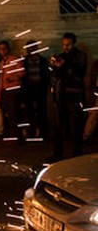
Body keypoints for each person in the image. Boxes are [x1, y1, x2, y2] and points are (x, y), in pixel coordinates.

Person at [49, 32, 87, 161]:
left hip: (75, 95)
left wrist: (65, 66)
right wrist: (54, 66)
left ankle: (76, 155)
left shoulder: (80, 56)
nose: (66, 47)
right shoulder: (61, 56)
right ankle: (58, 154)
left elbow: (79, 74)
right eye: (64, 45)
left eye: (68, 45)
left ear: (73, 43)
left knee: (75, 127)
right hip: (61, 95)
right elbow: (55, 75)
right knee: (58, 127)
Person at [0, 41, 25, 140]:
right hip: (6, 91)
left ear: (8, 49)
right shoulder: (1, 63)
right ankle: (12, 134)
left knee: (14, 113)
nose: (2, 51)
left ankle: (17, 135)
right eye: (1, 49)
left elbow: (22, 73)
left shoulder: (14, 59)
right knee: (8, 113)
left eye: (4, 48)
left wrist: (12, 78)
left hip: (14, 90)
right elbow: (1, 78)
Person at [23, 40, 50, 139]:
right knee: (29, 111)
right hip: (29, 89)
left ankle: (43, 132)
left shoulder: (43, 61)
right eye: (29, 48)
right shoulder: (24, 61)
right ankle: (31, 131)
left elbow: (46, 76)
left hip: (40, 88)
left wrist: (46, 87)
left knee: (41, 111)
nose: (31, 50)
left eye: (33, 48)